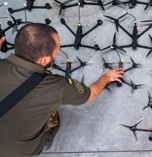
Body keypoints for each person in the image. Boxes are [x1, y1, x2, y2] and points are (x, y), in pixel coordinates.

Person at [0, 23, 124, 156]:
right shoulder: (56, 86)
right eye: (56, 50)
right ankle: (46, 137)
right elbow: (90, 94)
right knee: (52, 116)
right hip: (20, 152)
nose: (57, 53)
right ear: (45, 60)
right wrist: (106, 77)